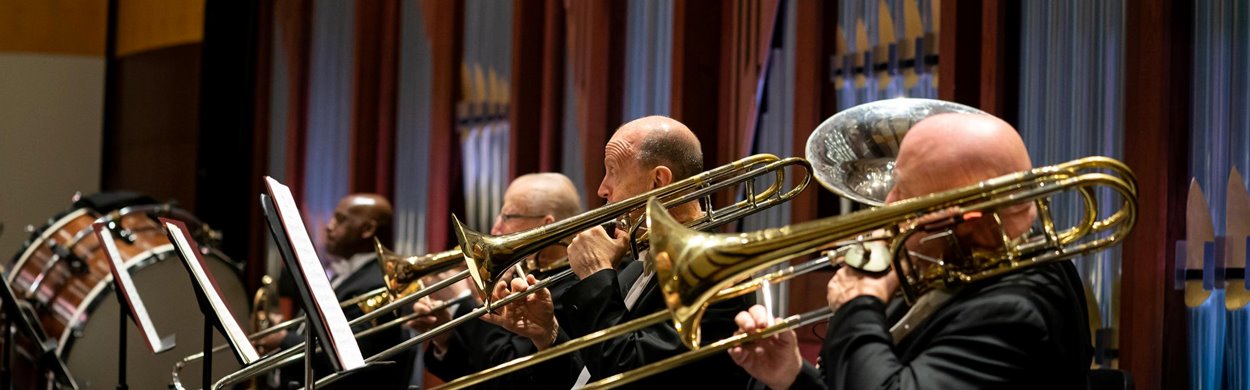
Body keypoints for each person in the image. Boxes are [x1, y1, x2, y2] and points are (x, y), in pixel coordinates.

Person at [729, 112, 1093, 389]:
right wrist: (791, 374)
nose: (887, 204)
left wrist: (858, 303)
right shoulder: (956, 262)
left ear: (963, 216)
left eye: (903, 192)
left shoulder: (1013, 310)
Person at [484, 115, 756, 388]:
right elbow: (590, 377)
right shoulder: (636, 267)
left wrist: (595, 273)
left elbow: (630, 373)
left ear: (658, 181)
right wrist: (548, 334)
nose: (603, 189)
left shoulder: (717, 268)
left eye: (613, 171)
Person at [405, 173, 586, 389]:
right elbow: (477, 375)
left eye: (507, 217)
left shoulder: (570, 286)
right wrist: (445, 337)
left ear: (545, 224)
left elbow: (508, 377)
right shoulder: (524, 272)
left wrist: (466, 299)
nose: (494, 229)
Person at [255, 194, 414, 389]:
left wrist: (284, 340)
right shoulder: (350, 274)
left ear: (367, 229)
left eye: (340, 219)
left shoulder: (376, 282)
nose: (329, 226)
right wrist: (291, 330)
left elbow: (352, 351)